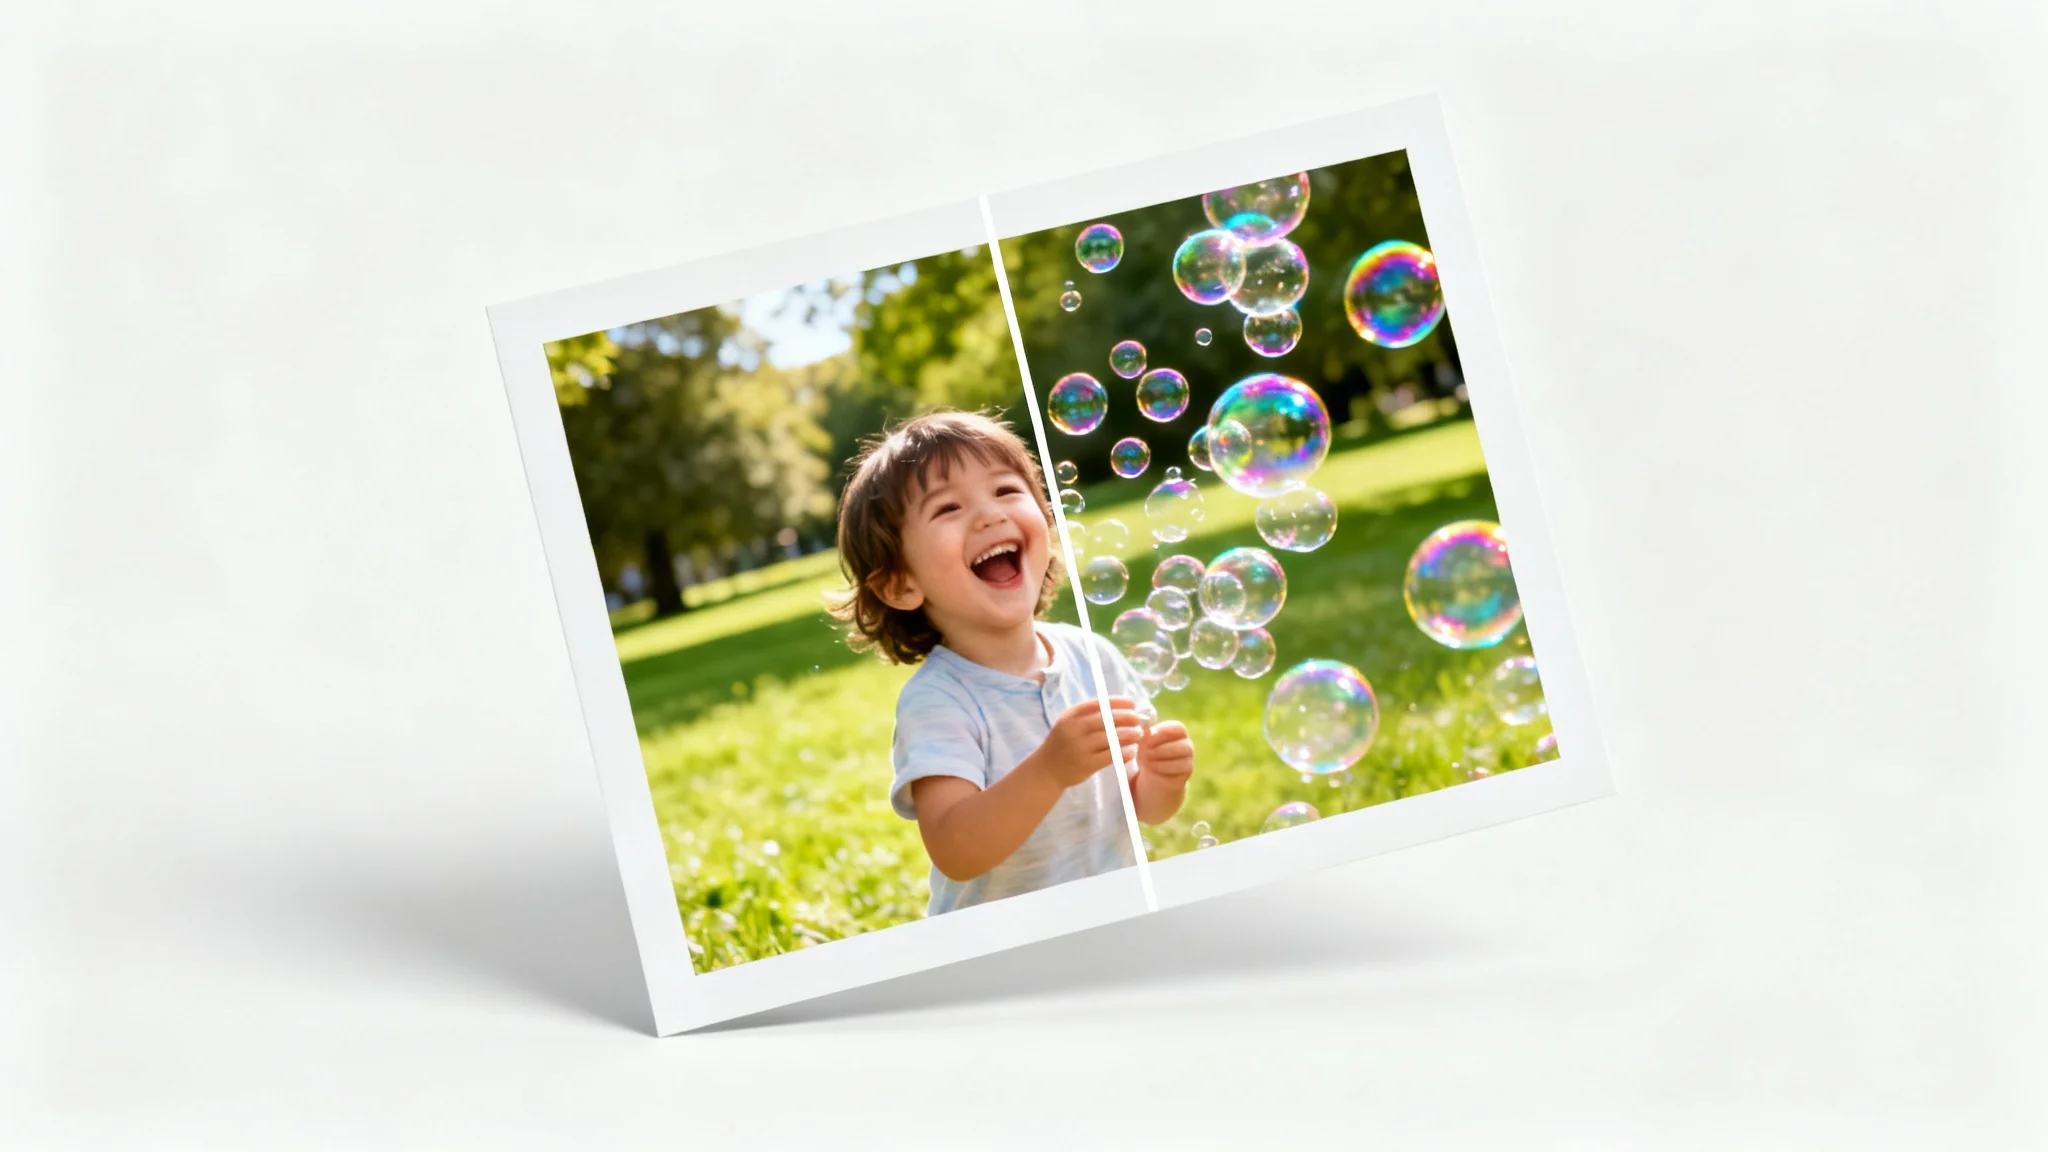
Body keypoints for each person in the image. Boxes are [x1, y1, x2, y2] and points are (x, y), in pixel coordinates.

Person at [827, 410, 1195, 915]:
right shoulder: (939, 701)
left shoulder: (1094, 658)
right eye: (948, 508)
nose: (989, 515)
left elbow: (1142, 808)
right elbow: (957, 848)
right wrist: (1049, 769)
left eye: (1005, 491)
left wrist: (1161, 778)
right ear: (900, 584)